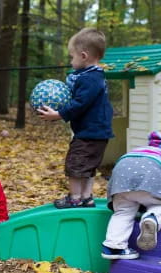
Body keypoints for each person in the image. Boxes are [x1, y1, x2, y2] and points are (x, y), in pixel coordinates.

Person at [38, 27, 114, 209]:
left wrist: (58, 114)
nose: (71, 61)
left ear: (83, 55)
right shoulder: (95, 76)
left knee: (75, 166)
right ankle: (87, 198)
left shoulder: (89, 79)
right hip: (97, 133)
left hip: (89, 134)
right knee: (87, 169)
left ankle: (75, 198)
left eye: (72, 57)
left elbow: (80, 103)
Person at [101, 128, 161, 259]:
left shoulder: (145, 149)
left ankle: (113, 247)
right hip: (150, 176)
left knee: (123, 211)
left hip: (121, 175)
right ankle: (152, 218)